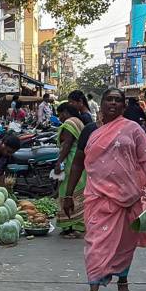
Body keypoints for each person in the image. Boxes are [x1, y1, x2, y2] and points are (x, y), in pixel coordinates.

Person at [63, 88, 146, 291]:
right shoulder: (90, 130)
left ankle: (123, 280)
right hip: (98, 197)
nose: (112, 103)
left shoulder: (133, 129)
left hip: (128, 196)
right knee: (96, 241)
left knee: (124, 243)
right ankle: (94, 289)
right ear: (101, 104)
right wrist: (68, 194)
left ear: (123, 105)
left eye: (117, 100)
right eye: (108, 99)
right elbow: (78, 163)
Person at [53, 102, 86, 239]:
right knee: (79, 193)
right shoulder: (79, 122)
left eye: (60, 114)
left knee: (66, 192)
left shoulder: (69, 124)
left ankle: (69, 226)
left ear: (65, 112)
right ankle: (78, 225)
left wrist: (59, 161)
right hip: (79, 161)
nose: (59, 118)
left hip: (71, 162)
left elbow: (67, 144)